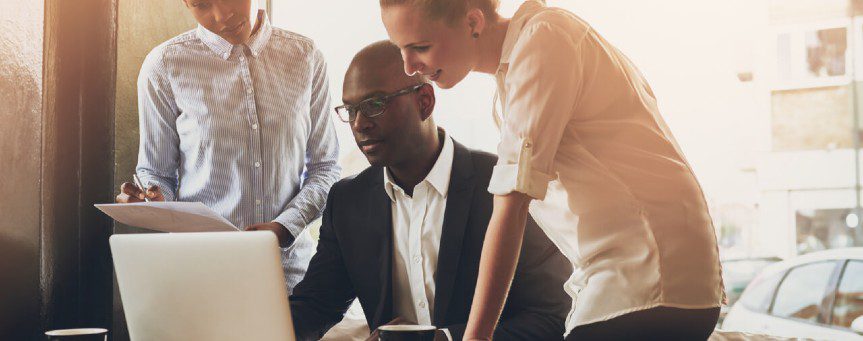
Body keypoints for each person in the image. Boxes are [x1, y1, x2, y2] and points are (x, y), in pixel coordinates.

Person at [380, 0, 725, 339]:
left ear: (473, 23)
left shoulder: (543, 41)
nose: (409, 66)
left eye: (420, 47)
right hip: (657, 285)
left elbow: (511, 206)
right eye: (400, 50)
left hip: (649, 284)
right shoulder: (525, 58)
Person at [288, 40, 570, 341]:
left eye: (375, 105)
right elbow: (315, 306)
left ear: (425, 101)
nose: (359, 123)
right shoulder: (348, 202)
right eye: (351, 109)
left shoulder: (504, 187)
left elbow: (553, 315)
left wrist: (444, 339)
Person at [115, 0, 340, 292]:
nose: (222, 15)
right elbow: (156, 173)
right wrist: (152, 202)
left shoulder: (306, 57)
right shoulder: (165, 65)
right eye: (201, 4)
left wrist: (284, 228)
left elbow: (326, 169)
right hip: (201, 278)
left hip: (292, 278)